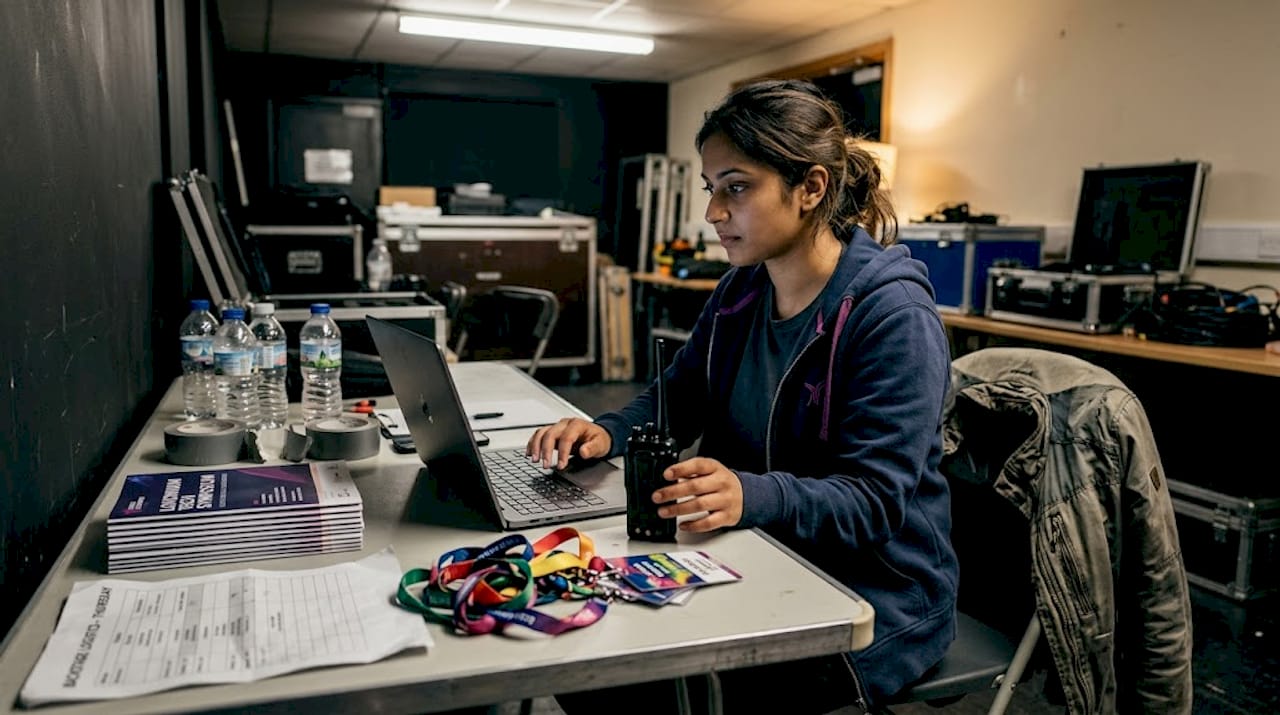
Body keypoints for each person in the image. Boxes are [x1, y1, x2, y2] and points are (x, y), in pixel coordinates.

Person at [527, 79, 958, 713]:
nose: (713, 213)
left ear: (810, 188)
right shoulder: (742, 290)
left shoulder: (891, 315)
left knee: (642, 688)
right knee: (591, 660)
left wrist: (749, 491)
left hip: (873, 592)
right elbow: (677, 399)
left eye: (737, 187)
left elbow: (874, 503)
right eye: (711, 189)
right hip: (756, 549)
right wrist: (608, 431)